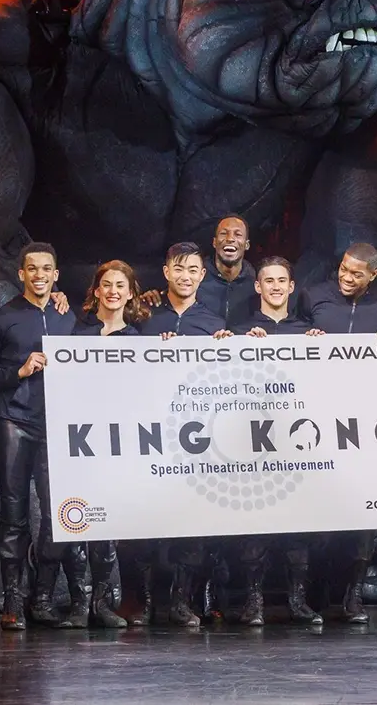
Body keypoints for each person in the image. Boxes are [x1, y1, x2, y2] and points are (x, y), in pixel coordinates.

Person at [0, 243, 79, 630]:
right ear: (21, 274)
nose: (39, 275)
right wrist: (17, 372)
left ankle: (43, 599)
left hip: (58, 425)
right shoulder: (2, 318)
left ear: (56, 275)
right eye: (32, 269)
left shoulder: (68, 315)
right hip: (13, 421)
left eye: (46, 269)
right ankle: (13, 601)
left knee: (59, 515)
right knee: (14, 514)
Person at [296, 241, 377, 623]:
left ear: (373, 275)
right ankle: (316, 593)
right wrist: (305, 338)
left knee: (364, 514)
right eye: (343, 269)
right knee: (318, 511)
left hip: (365, 422)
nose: (346, 277)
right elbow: (291, 338)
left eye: (357, 274)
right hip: (318, 418)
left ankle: (353, 596)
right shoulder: (314, 297)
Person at [228, 256, 325, 626]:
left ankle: (298, 602)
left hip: (296, 443)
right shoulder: (239, 330)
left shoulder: (307, 332)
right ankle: (253, 603)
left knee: (298, 528)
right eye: (268, 280)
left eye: (281, 280)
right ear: (258, 286)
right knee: (255, 526)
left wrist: (319, 349)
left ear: (291, 286)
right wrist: (234, 345)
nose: (275, 287)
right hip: (252, 443)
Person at [140, 241, 232, 626]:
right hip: (151, 435)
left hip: (197, 439)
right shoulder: (146, 318)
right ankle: (145, 603)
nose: (185, 276)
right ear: (166, 272)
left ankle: (182, 601)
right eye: (178, 269)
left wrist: (228, 350)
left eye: (193, 270)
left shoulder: (213, 324)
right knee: (148, 519)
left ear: (202, 275)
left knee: (194, 522)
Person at [61, 260, 150, 629]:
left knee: (106, 525)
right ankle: (78, 605)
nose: (113, 291)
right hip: (76, 440)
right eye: (107, 285)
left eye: (120, 286)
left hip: (116, 442)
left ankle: (101, 604)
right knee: (73, 520)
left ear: (130, 294)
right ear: (96, 291)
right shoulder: (74, 333)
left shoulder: (139, 340)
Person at [197, 214, 260, 324]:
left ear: (247, 244)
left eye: (238, 234)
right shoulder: (196, 279)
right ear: (214, 242)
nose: (230, 239)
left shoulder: (256, 283)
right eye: (223, 233)